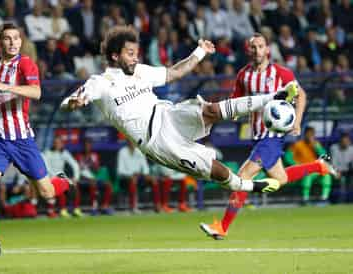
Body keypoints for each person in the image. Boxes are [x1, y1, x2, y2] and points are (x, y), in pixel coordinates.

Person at [60, 26, 296, 213]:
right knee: (215, 170)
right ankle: (250, 186)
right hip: (157, 142)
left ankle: (271, 97)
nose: (135, 58)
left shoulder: (141, 71)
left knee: (210, 110)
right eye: (130, 54)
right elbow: (68, 103)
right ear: (114, 56)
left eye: (136, 53)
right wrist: (73, 103)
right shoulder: (100, 83)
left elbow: (174, 72)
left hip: (167, 114)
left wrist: (200, 52)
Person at [200, 33, 337, 240]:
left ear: (267, 50)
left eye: (261, 46)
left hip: (272, 136)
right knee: (280, 178)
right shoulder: (243, 76)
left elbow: (302, 95)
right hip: (257, 136)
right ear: (248, 50)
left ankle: (222, 227)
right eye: (253, 47)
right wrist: (231, 113)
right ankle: (319, 167)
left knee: (243, 177)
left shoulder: (281, 73)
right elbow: (235, 103)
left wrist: (298, 122)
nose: (257, 50)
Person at [0, 23, 70, 258]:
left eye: (17, 38)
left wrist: (2, 86)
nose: (13, 42)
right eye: (8, 38)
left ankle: (64, 181)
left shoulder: (25, 64)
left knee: (46, 193)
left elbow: (36, 92)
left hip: (21, 140)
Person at [287, 127, 332, 205]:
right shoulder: (298, 145)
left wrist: (317, 147)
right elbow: (287, 157)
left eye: (312, 134)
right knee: (307, 175)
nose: (310, 136)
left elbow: (324, 156)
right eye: (309, 134)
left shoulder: (316, 145)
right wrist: (297, 165)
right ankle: (305, 199)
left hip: (315, 170)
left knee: (326, 176)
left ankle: (324, 198)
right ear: (305, 134)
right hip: (303, 170)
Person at [43, 136, 82, 218]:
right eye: (56, 143)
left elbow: (74, 164)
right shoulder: (47, 153)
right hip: (49, 177)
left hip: (61, 176)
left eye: (59, 143)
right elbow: (47, 168)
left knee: (74, 186)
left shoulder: (64, 153)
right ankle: (62, 210)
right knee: (61, 186)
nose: (57, 144)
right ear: (53, 144)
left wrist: (76, 177)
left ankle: (76, 209)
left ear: (62, 144)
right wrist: (57, 177)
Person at [117, 140, 160, 213]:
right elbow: (120, 170)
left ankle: (157, 206)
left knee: (154, 181)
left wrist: (146, 174)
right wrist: (131, 175)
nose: (132, 143)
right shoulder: (122, 152)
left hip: (139, 177)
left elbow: (145, 167)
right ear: (128, 142)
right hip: (126, 178)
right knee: (133, 180)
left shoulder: (139, 151)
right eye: (130, 141)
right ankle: (133, 207)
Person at [76, 138, 114, 215]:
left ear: (91, 146)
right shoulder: (79, 156)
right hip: (83, 179)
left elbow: (97, 169)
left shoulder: (94, 155)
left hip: (94, 178)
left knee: (108, 184)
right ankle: (93, 208)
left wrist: (92, 162)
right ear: (83, 146)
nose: (87, 147)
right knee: (92, 183)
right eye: (86, 145)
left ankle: (104, 206)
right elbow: (78, 170)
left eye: (89, 145)